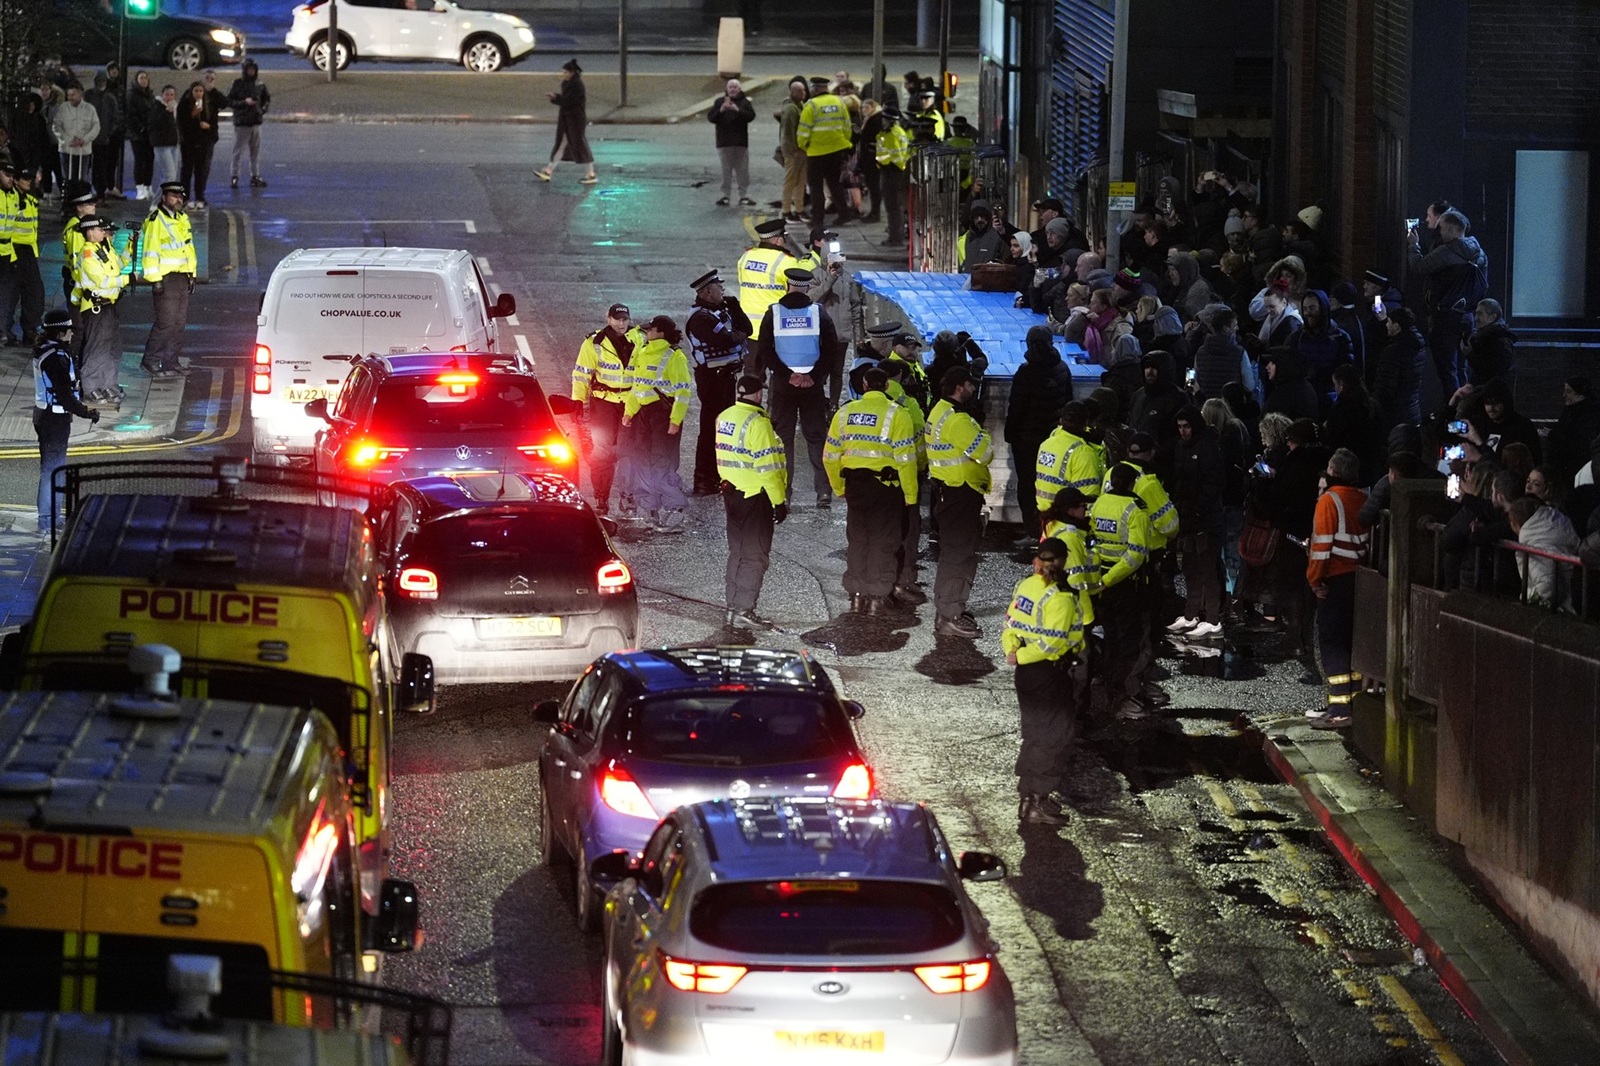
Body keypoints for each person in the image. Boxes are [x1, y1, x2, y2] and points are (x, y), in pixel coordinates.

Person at [1002, 536, 1086, 828]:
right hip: (1048, 672)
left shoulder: (1026, 586)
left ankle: (1027, 798)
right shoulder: (1061, 596)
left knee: (1035, 731)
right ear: (1063, 562)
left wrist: (1012, 652)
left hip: (1026, 676)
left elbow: (1010, 624)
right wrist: (1023, 656)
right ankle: (1038, 799)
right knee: (1055, 736)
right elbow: (1052, 644)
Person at [823, 365, 919, 614]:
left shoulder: (845, 414)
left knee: (857, 539)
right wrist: (910, 495)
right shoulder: (898, 414)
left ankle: (856, 595)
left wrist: (839, 487)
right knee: (883, 541)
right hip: (886, 488)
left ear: (863, 386)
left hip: (855, 486)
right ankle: (877, 597)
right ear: (886, 386)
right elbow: (906, 460)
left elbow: (830, 456)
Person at [752, 267, 846, 507]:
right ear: (806, 287)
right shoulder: (819, 313)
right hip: (812, 386)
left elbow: (765, 349)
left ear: (787, 285)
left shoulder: (773, 313)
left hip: (783, 385)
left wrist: (786, 374)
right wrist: (813, 375)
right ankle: (824, 492)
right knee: (815, 437)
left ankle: (784, 491)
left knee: (783, 439)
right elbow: (831, 349)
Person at [1305, 447, 1371, 729]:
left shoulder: (1329, 501)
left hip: (1334, 578)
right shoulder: (1364, 500)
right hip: (1359, 579)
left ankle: (1339, 709)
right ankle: (1350, 703)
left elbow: (1321, 547)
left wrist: (1314, 580)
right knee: (1350, 642)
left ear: (1332, 471)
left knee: (1331, 643)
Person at [715, 373, 788, 627]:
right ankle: (744, 612)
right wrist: (779, 501)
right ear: (759, 394)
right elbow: (767, 468)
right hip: (755, 497)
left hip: (731, 494)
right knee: (755, 555)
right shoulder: (758, 424)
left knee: (737, 552)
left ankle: (732, 607)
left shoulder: (724, 418)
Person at [924, 367, 991, 638]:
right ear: (960, 387)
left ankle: (949, 609)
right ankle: (949, 616)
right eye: (971, 386)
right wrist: (982, 432)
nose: (974, 391)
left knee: (954, 552)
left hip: (947, 491)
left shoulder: (939, 411)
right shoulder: (958, 421)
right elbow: (985, 453)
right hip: (960, 493)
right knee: (959, 555)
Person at [1091, 462, 1154, 720]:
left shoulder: (1099, 504)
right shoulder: (1136, 510)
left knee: (1107, 635)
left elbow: (1092, 542)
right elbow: (1135, 556)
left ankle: (1104, 683)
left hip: (1099, 580)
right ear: (1131, 484)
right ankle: (1122, 695)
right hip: (1125, 583)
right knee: (1128, 641)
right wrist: (1111, 579)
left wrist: (1101, 578)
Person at [684, 269, 753, 496]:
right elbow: (727, 339)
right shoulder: (700, 318)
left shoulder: (720, 311)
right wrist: (738, 335)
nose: (723, 289)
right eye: (718, 287)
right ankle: (704, 479)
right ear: (706, 292)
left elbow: (748, 329)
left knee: (723, 429)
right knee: (710, 430)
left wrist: (735, 307)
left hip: (725, 377)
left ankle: (719, 476)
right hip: (711, 380)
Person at [621, 315, 692, 533]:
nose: (646, 333)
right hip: (644, 414)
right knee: (641, 460)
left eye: (650, 330)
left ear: (661, 332)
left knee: (661, 462)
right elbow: (637, 386)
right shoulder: (643, 351)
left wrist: (675, 420)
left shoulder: (674, 357)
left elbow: (682, 392)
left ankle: (675, 509)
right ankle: (650, 509)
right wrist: (629, 412)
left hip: (663, 415)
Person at [570, 303, 643, 515]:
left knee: (629, 453)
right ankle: (602, 498)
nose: (622, 323)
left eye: (625, 319)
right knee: (602, 452)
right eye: (617, 319)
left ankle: (627, 495)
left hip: (630, 402)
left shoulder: (640, 339)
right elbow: (581, 375)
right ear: (608, 319)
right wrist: (577, 401)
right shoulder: (594, 343)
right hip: (604, 403)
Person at [32, 307, 100, 534]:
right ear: (60, 332)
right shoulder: (56, 358)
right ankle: (46, 521)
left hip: (47, 415)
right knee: (52, 469)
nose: (72, 334)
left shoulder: (50, 351)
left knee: (57, 468)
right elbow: (64, 394)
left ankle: (53, 518)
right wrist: (86, 412)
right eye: (69, 330)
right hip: (54, 418)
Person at [1407, 208, 1487, 395]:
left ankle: (1454, 417)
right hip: (1467, 317)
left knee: (1447, 372)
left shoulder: (1446, 251)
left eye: (1442, 229)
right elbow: (1483, 285)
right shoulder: (1479, 252)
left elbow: (1419, 267)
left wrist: (1414, 245)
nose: (1439, 233)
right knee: (1461, 369)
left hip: (1445, 317)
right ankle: (1464, 417)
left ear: (1451, 229)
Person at [1167, 407, 1225, 638]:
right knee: (1190, 566)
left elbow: (1214, 484)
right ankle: (1191, 615)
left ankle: (1212, 619)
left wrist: (1198, 513)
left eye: (1186, 426)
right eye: (1180, 426)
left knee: (1208, 568)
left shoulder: (1209, 447)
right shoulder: (1182, 446)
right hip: (1189, 518)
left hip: (1206, 520)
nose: (1183, 431)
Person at [137, 181, 196, 377]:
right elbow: (150, 252)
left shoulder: (182, 218)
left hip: (181, 277)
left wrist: (191, 274)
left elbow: (187, 249)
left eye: (180, 196)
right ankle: (150, 360)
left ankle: (171, 361)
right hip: (165, 278)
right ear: (163, 198)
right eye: (173, 196)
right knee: (166, 323)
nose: (178, 199)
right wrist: (155, 280)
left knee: (179, 323)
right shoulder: (156, 221)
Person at [72, 215, 127, 408]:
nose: (104, 233)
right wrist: (126, 280)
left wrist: (129, 248)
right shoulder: (88, 254)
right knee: (96, 348)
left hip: (108, 305)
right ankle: (89, 387)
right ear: (90, 232)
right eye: (100, 230)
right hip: (96, 306)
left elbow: (117, 267)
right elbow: (102, 281)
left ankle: (107, 384)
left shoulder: (103, 249)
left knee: (112, 347)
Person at [796, 76, 853, 224]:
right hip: (836, 150)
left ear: (814, 89)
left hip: (816, 152)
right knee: (834, 183)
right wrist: (844, 142)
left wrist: (803, 146)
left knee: (815, 186)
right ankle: (844, 214)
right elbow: (847, 126)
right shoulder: (839, 102)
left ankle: (817, 218)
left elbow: (803, 132)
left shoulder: (811, 106)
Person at [1036, 400, 1103, 521]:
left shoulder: (1047, 443)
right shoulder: (1083, 452)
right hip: (1068, 519)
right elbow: (1088, 494)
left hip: (1046, 514)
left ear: (1061, 421)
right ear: (1085, 423)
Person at [536, 59, 597, 185]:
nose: (564, 74)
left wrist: (556, 98)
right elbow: (567, 100)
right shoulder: (569, 84)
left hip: (574, 120)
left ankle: (591, 174)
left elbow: (569, 102)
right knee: (564, 145)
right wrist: (556, 97)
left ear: (572, 72)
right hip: (569, 119)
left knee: (579, 146)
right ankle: (548, 171)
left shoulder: (577, 85)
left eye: (565, 72)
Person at [2, 168, 44, 347]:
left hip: (27, 251)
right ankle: (7, 331)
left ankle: (29, 330)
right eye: (25, 179)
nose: (29, 182)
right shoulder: (12, 197)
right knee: (10, 293)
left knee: (34, 292)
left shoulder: (31, 199)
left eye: (31, 179)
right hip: (14, 249)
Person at [736, 218, 795, 338]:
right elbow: (795, 295)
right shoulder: (786, 261)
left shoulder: (746, 256)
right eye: (784, 237)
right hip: (774, 328)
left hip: (747, 327)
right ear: (778, 240)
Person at [1372, 305, 1425, 431]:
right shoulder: (1418, 345)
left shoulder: (1393, 351)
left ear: (1396, 326)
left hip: (1395, 416)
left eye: (1389, 322)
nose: (1386, 325)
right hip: (1413, 411)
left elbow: (1384, 389)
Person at [708, 78, 756, 207]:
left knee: (742, 170)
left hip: (740, 142)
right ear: (727, 89)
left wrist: (737, 110)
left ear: (739, 89)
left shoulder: (744, 103)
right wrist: (721, 110)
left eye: (735, 87)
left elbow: (750, 116)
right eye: (731, 87)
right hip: (724, 142)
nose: (733, 90)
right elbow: (711, 117)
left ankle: (743, 196)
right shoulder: (719, 102)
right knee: (726, 171)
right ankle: (725, 195)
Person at [1455, 297, 1515, 400]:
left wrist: (1469, 353)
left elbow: (1489, 370)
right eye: (1476, 313)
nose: (1476, 318)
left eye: (1480, 314)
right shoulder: (1488, 337)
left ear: (1492, 317)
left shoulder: (1498, 340)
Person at [227, 59, 270, 189]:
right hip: (242, 122)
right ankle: (235, 176)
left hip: (255, 121)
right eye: (249, 69)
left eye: (253, 70)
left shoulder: (260, 84)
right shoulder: (238, 84)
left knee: (255, 151)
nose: (251, 72)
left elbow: (266, 99)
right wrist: (244, 103)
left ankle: (254, 175)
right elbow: (230, 101)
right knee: (238, 151)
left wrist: (262, 110)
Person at [177, 80, 220, 208]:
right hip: (189, 142)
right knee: (187, 170)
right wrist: (192, 115)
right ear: (191, 92)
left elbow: (214, 125)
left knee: (201, 171)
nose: (198, 93)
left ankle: (200, 196)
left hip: (204, 142)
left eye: (201, 91)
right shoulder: (184, 104)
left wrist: (209, 127)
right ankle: (185, 198)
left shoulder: (209, 106)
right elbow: (181, 123)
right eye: (196, 91)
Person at [873, 103, 911, 246]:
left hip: (892, 173)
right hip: (892, 171)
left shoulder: (892, 134)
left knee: (893, 207)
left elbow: (896, 156)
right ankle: (895, 236)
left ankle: (895, 238)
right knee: (894, 207)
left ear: (889, 120)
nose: (882, 121)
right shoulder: (896, 132)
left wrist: (888, 165)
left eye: (884, 119)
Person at [51, 84, 99, 192]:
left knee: (81, 180)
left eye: (73, 94)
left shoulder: (90, 109)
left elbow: (96, 127)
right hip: (66, 150)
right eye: (69, 95)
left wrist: (84, 140)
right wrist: (68, 140)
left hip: (84, 150)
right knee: (67, 179)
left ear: (80, 94)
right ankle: (67, 201)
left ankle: (80, 202)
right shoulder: (63, 108)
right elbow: (56, 126)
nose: (70, 97)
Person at [84, 74, 121, 199]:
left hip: (102, 138)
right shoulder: (89, 96)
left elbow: (115, 118)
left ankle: (100, 192)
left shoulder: (110, 98)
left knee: (100, 166)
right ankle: (90, 191)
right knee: (87, 166)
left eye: (104, 81)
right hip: (89, 138)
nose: (102, 83)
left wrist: (108, 133)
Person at [776, 78, 808, 222]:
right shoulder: (790, 109)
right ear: (793, 92)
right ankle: (786, 210)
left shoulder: (799, 105)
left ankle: (799, 209)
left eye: (804, 90)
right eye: (800, 91)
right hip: (793, 152)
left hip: (801, 150)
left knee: (800, 181)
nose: (804, 93)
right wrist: (792, 150)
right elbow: (787, 132)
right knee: (790, 181)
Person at [126, 70, 156, 199]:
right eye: (141, 78)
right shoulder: (132, 95)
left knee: (150, 159)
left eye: (145, 78)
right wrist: (141, 127)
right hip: (137, 134)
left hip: (149, 133)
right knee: (140, 159)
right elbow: (131, 115)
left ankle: (148, 186)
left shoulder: (150, 95)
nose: (144, 80)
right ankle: (140, 187)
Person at [149, 85, 180, 189]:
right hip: (162, 145)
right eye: (167, 94)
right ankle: (157, 202)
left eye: (172, 95)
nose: (170, 97)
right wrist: (167, 112)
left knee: (172, 176)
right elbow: (154, 123)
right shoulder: (157, 106)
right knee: (169, 176)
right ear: (162, 95)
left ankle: (166, 202)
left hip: (174, 144)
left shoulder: (176, 109)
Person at [957, 202, 1002, 272]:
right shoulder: (967, 237)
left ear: (988, 217)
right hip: (967, 279)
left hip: (989, 280)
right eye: (976, 217)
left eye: (982, 216)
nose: (979, 220)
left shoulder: (998, 237)